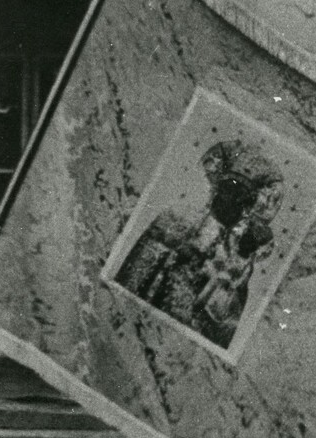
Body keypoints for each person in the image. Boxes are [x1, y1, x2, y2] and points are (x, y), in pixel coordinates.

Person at [115, 138, 283, 348]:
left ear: (248, 206)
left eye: (242, 197)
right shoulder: (178, 219)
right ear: (216, 190)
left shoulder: (240, 254)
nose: (232, 200)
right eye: (227, 189)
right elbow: (135, 272)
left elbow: (225, 320)